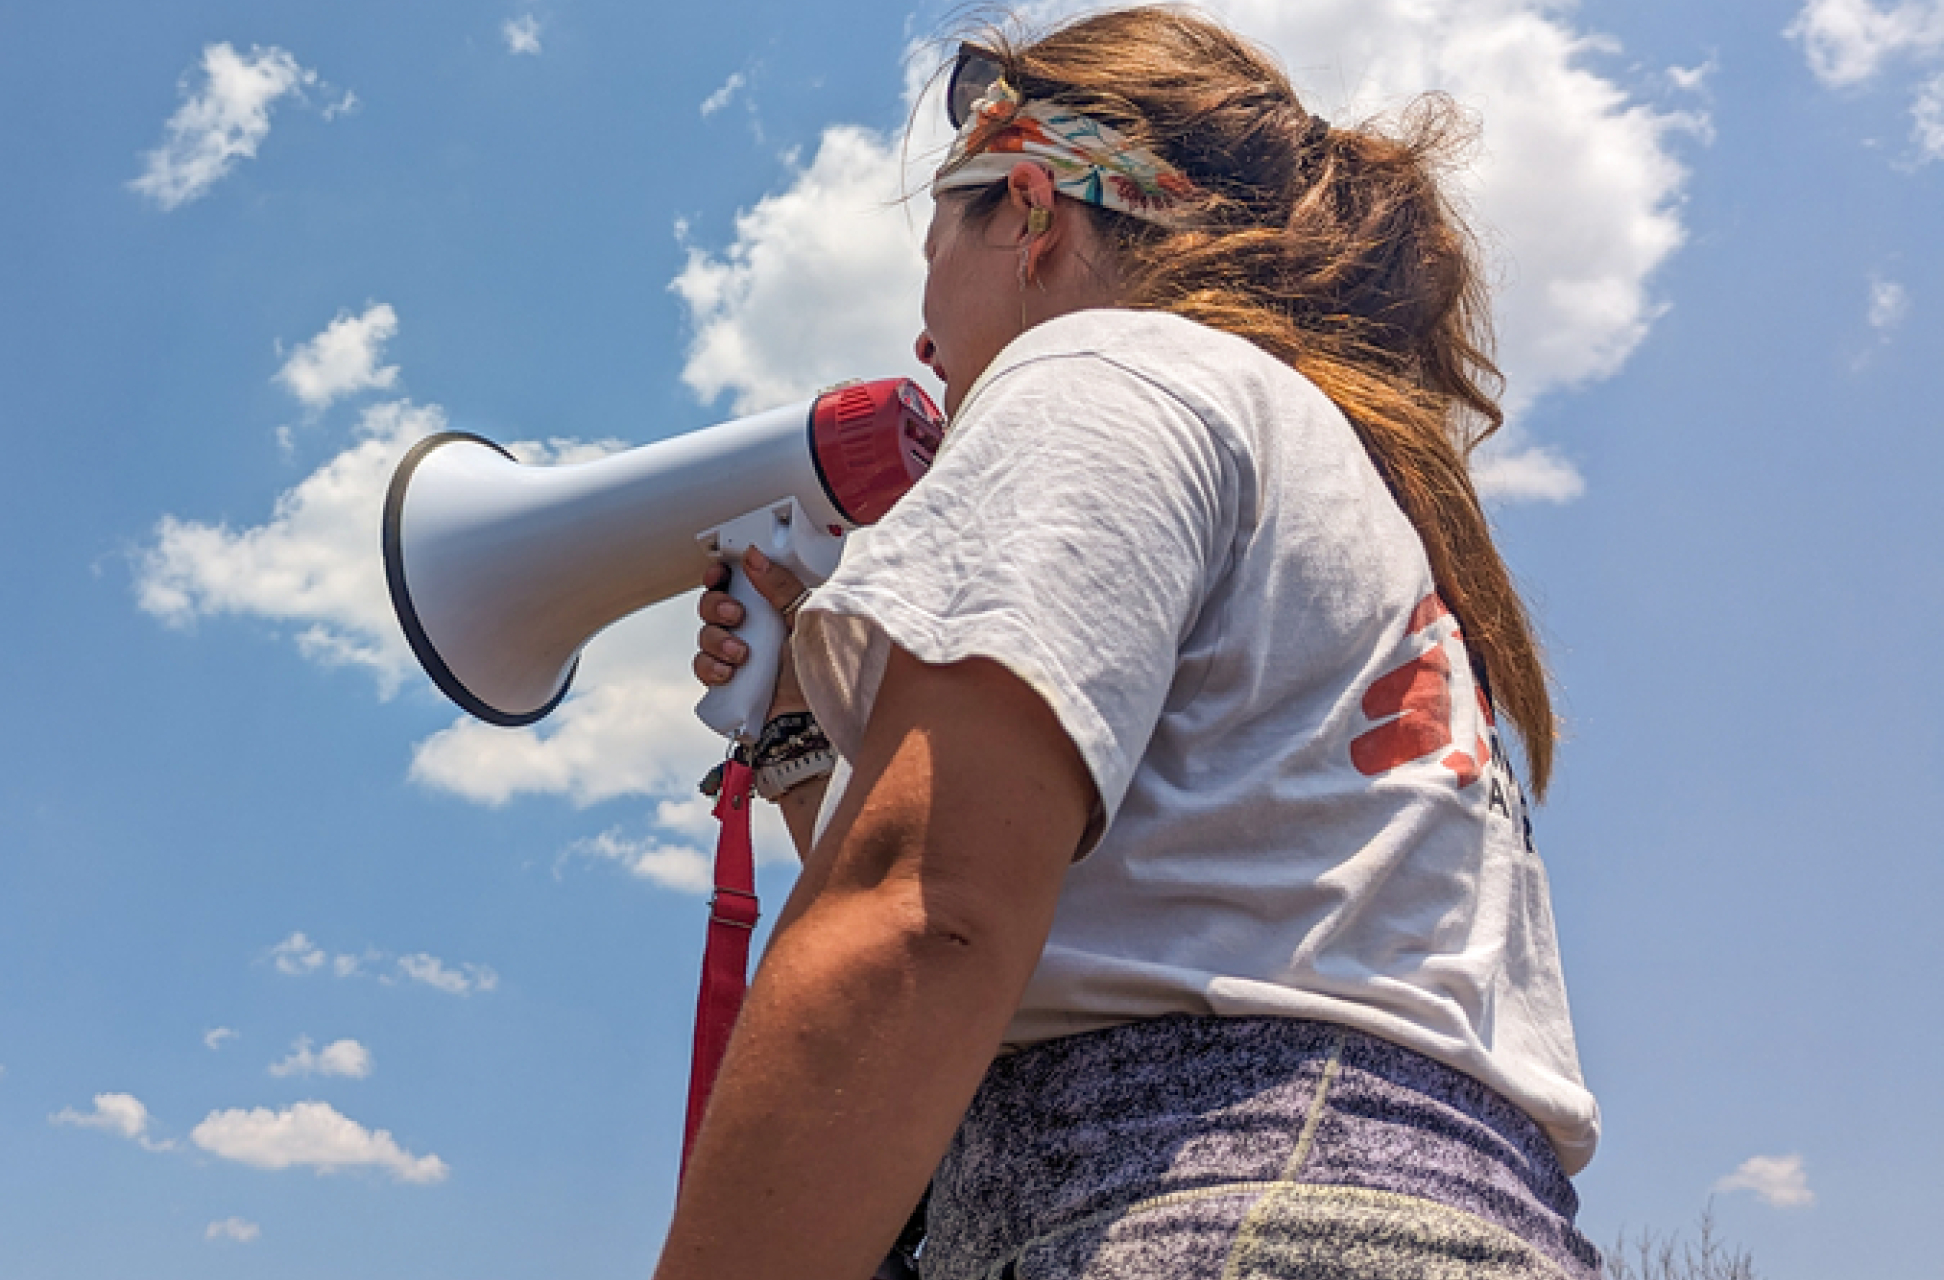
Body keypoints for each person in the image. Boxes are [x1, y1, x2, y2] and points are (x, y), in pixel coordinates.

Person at [659, 10, 1600, 1280]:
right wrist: (800, 733)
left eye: (937, 246)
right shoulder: (1348, 476)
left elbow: (923, 917)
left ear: (1032, 211)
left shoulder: (1105, 365)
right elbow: (1080, 923)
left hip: (1195, 1208)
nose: (923, 339)